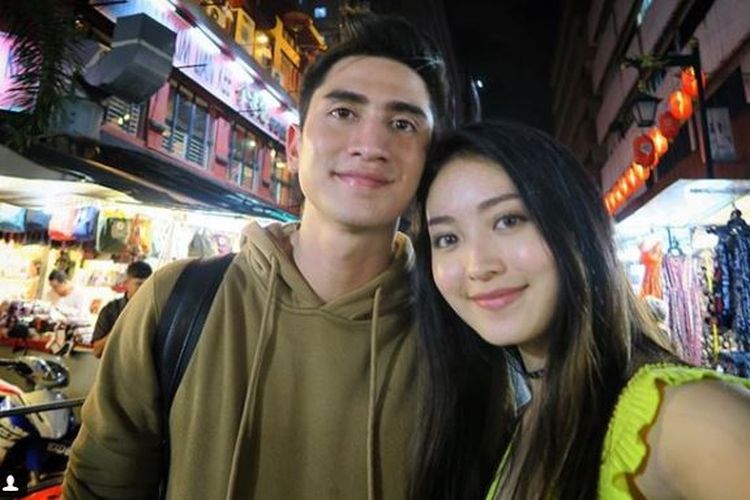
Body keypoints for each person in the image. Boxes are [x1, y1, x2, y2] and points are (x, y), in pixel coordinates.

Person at [63, 12, 449, 500]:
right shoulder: (175, 302)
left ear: (428, 160)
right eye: (343, 113)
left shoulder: (459, 338)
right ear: (295, 145)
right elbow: (100, 485)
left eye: (402, 123)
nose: (370, 145)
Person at [410, 121, 750, 499]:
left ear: (576, 227)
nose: (477, 266)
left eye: (508, 221)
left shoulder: (690, 419)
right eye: (447, 238)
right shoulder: (516, 424)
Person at [91, 261, 152, 358]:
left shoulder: (154, 310)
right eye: (139, 284)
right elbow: (97, 351)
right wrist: (120, 328)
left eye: (147, 284)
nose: (143, 289)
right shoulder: (110, 310)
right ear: (126, 283)